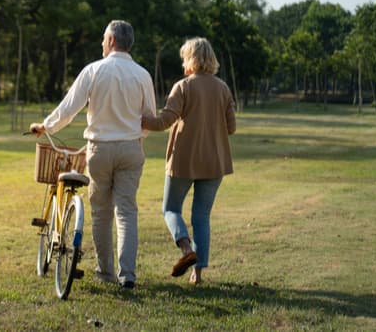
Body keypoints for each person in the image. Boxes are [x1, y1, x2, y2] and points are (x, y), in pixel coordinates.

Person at [30, 20, 155, 289]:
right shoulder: (143, 75)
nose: (101, 43)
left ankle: (106, 271)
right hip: (131, 149)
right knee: (126, 211)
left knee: (101, 212)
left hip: (98, 149)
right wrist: (134, 137)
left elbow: (69, 108)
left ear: (111, 41)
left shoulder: (94, 70)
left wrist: (46, 126)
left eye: (103, 39)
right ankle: (128, 275)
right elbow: (149, 119)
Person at [141, 37, 235, 285]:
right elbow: (232, 127)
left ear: (191, 60)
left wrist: (138, 119)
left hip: (183, 161)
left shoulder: (182, 87)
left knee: (170, 209)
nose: (183, 62)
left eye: (184, 57)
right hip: (214, 163)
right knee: (201, 217)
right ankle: (198, 274)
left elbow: (163, 122)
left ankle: (185, 249)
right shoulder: (223, 88)